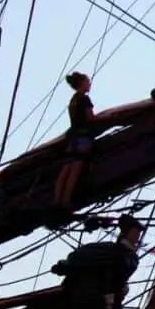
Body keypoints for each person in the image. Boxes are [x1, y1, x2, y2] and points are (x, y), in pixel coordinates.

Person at [7, 215, 143, 309]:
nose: (138, 237)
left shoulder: (123, 256)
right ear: (128, 232)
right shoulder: (116, 254)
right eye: (136, 232)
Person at [52, 72, 95, 211]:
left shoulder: (73, 100)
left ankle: (57, 200)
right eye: (87, 81)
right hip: (83, 138)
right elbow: (91, 118)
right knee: (75, 170)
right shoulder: (84, 99)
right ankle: (65, 201)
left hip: (72, 138)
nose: (89, 83)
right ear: (82, 83)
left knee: (66, 170)